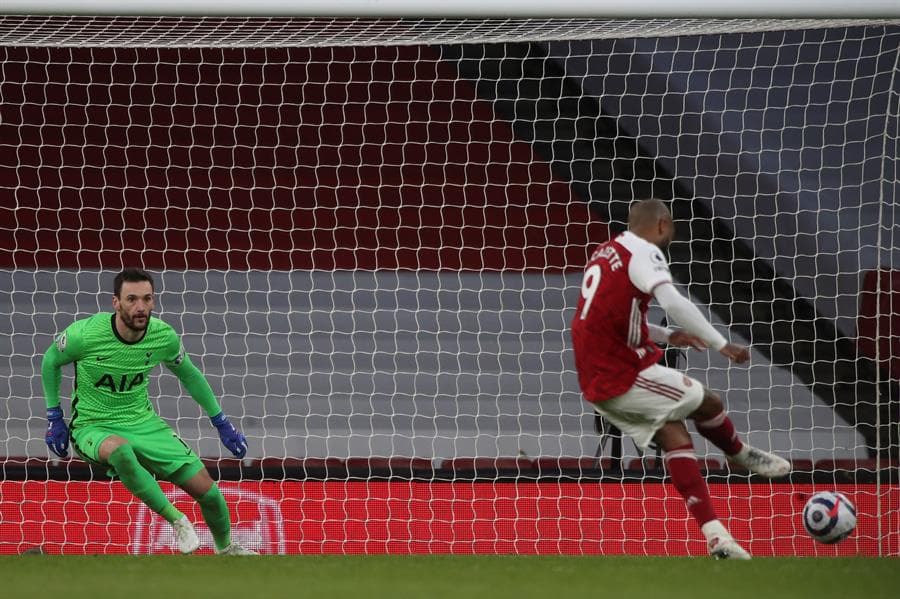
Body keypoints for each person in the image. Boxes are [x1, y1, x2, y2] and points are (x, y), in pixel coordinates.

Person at [571, 199, 790, 560]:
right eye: (671, 228)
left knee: (676, 435)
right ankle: (737, 453)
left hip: (597, 375)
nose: (671, 235)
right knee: (709, 402)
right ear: (662, 225)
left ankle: (717, 537)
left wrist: (668, 337)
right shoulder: (645, 253)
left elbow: (608, 320)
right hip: (621, 373)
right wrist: (722, 344)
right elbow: (672, 301)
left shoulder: (607, 251)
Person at [42, 267, 257, 556]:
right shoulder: (85, 335)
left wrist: (221, 422)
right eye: (131, 299)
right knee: (120, 451)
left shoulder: (163, 336)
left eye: (147, 299)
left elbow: (190, 375)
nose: (140, 307)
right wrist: (55, 416)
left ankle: (226, 549)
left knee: (210, 493)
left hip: (144, 423)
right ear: (115, 302)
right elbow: (50, 361)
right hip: (94, 426)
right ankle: (177, 521)